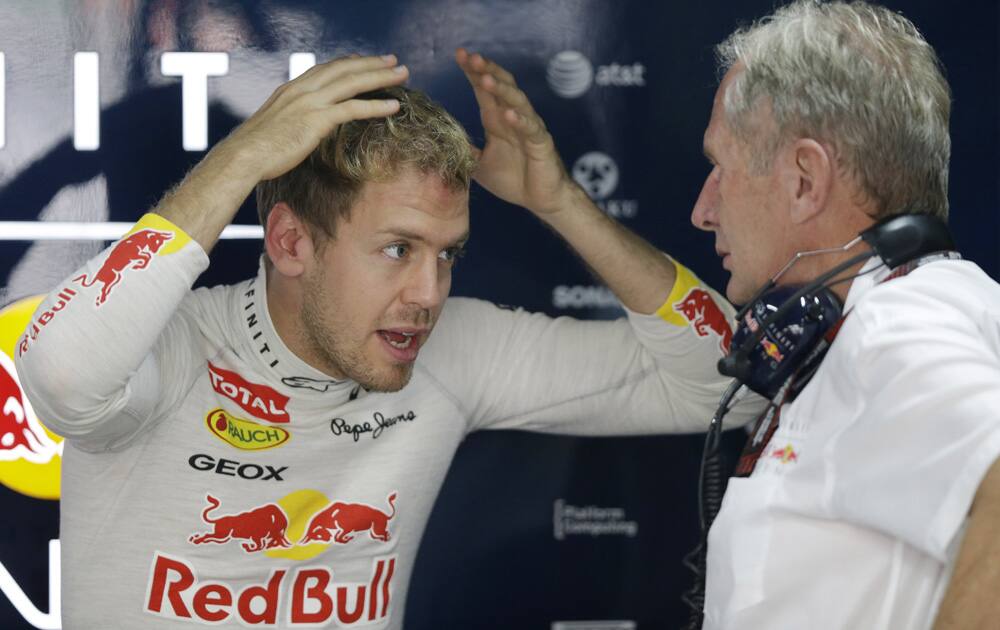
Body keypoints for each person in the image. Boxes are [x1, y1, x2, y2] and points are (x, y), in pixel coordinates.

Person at [14, 52, 759, 628]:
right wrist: (242, 158)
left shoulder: (450, 351)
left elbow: (727, 382)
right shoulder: (172, 348)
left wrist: (562, 204)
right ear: (291, 242)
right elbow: (63, 376)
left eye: (448, 254)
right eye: (399, 250)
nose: (430, 295)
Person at [689, 1, 1000, 628]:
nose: (703, 209)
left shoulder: (897, 321)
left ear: (805, 180)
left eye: (720, 168)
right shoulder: (889, 309)